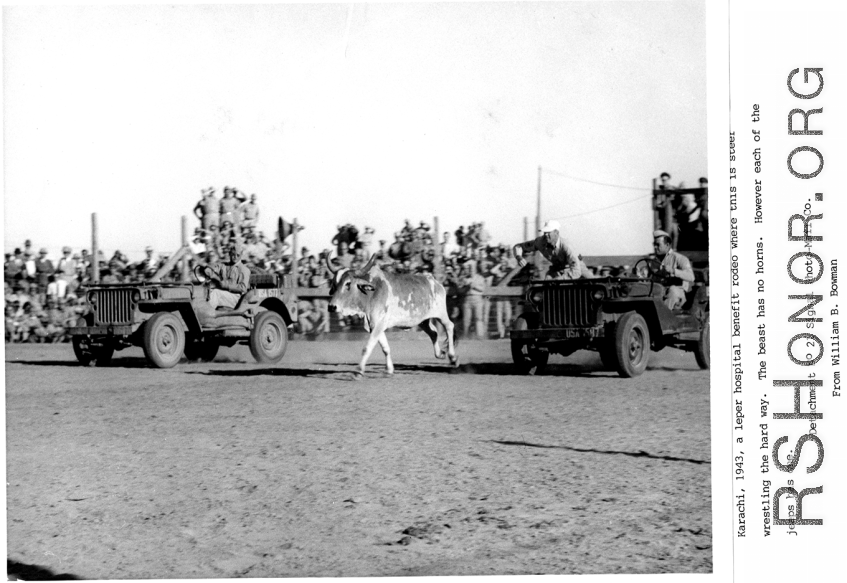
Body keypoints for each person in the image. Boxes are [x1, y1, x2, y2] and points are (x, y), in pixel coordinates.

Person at [641, 230, 695, 310]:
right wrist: (640, 274)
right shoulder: (652, 262)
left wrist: (674, 271)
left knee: (673, 290)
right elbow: (643, 276)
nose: (655, 247)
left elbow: (691, 277)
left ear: (667, 245)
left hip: (676, 293)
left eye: (658, 244)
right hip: (658, 292)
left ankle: (664, 318)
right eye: (654, 244)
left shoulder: (679, 258)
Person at [512, 219, 582, 280]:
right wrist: (519, 257)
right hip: (557, 269)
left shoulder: (566, 246)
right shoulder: (540, 242)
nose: (545, 234)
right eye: (545, 232)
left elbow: (576, 271)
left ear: (556, 233)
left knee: (591, 285)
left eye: (548, 232)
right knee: (548, 282)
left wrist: (559, 280)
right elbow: (518, 246)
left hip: (576, 267)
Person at [205, 241, 251, 311]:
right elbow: (213, 268)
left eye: (237, 255)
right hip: (225, 293)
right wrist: (208, 270)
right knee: (206, 292)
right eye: (233, 254)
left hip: (236, 297)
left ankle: (206, 313)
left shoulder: (243, 269)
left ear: (241, 255)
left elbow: (243, 288)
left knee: (216, 293)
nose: (235, 257)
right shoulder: (224, 266)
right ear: (229, 254)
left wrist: (226, 285)